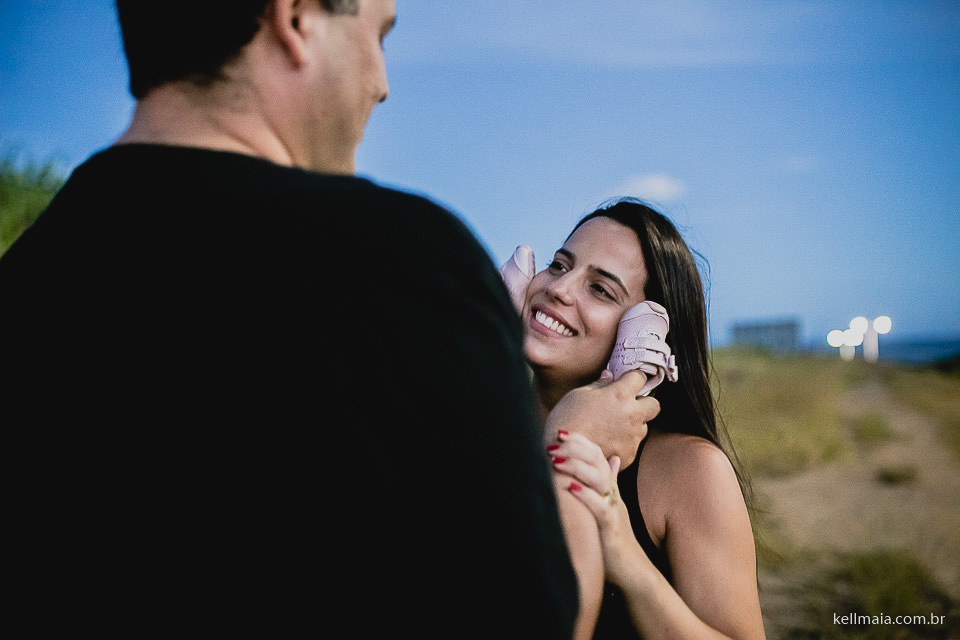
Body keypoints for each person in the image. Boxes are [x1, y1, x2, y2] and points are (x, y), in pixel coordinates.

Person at [1, 2, 660, 636]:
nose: (381, 84)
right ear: (296, 19)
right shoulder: (404, 264)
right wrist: (566, 452)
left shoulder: (28, 274)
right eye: (377, 34)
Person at [514, 199, 766, 638]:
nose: (559, 288)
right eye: (558, 265)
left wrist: (628, 560)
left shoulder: (689, 471)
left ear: (645, 335)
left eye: (601, 289)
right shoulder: (475, 429)